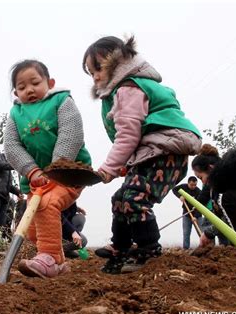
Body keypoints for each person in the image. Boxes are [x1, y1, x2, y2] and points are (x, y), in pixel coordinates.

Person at [82, 35, 202, 274]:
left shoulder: (128, 87)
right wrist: (124, 167)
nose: (94, 76)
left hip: (166, 153)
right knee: (120, 199)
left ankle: (149, 250)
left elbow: (128, 135)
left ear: (117, 61)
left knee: (134, 199)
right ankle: (121, 247)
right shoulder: (122, 90)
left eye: (97, 68)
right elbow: (137, 141)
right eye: (89, 72)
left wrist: (108, 168)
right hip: (152, 153)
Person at [4, 59, 92, 278]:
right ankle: (58, 261)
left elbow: (70, 134)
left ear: (50, 82)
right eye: (22, 87)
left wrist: (56, 169)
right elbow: (12, 146)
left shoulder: (61, 101)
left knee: (46, 205)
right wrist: (33, 171)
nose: (29, 90)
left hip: (69, 174)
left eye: (35, 82)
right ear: (16, 92)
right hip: (37, 180)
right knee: (33, 229)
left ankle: (49, 257)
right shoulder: (16, 114)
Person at [192, 144, 236, 247]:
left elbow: (232, 222)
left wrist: (209, 233)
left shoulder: (228, 192)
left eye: (201, 177)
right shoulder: (231, 181)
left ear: (210, 168)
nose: (204, 183)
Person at [172, 176, 202, 249]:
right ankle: (186, 249)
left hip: (197, 215)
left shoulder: (198, 192)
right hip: (186, 214)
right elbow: (174, 189)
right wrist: (180, 196)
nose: (193, 186)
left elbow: (200, 206)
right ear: (188, 183)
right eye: (191, 185)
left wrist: (195, 216)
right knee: (186, 233)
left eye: (195, 185)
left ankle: (204, 248)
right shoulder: (183, 187)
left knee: (201, 232)